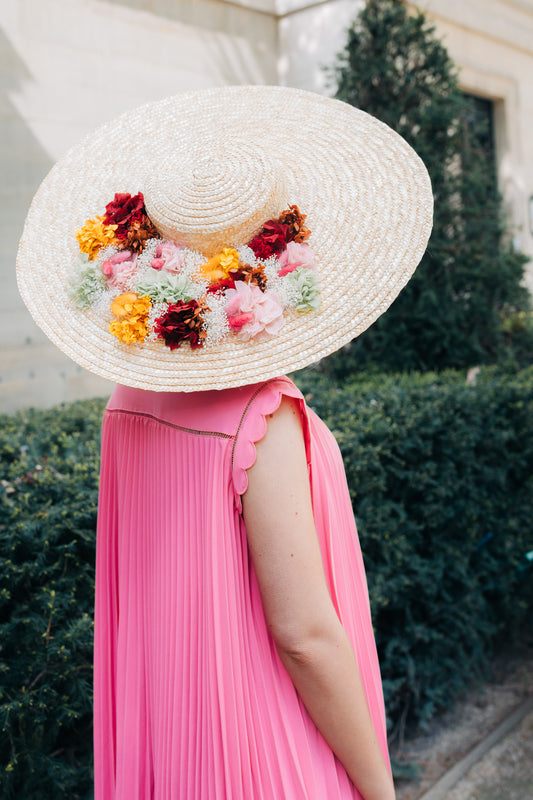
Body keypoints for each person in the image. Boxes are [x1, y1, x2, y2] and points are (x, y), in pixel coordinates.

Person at [17, 85, 433, 799]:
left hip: (170, 743)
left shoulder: (125, 402)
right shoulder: (263, 414)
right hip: (263, 752)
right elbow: (304, 636)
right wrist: (379, 787)